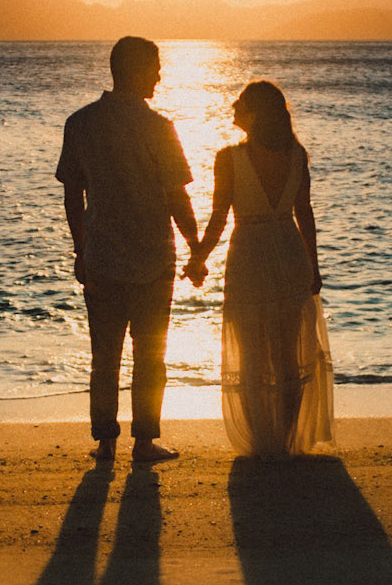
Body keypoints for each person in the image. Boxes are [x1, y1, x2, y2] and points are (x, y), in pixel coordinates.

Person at [57, 36, 202, 465]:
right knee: (150, 355)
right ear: (136, 70)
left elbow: (73, 196)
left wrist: (80, 250)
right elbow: (177, 197)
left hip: (102, 256)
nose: (160, 75)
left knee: (105, 357)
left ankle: (105, 443)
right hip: (154, 259)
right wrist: (196, 247)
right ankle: (143, 442)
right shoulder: (159, 127)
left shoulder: (80, 123)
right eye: (155, 67)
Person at [190, 80, 335, 459]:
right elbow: (304, 213)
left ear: (255, 114)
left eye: (240, 103)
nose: (233, 108)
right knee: (289, 354)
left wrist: (199, 257)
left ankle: (262, 442)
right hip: (289, 250)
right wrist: (313, 266)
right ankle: (285, 438)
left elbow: (219, 218)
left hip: (250, 253)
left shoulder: (229, 158)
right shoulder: (296, 154)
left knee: (252, 352)